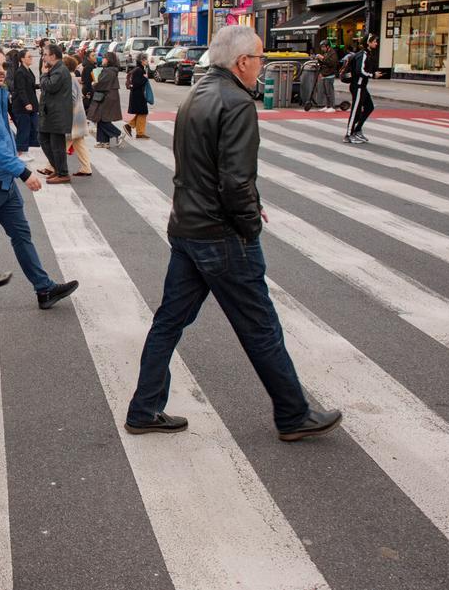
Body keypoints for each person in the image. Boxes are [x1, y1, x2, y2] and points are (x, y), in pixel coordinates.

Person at [124, 26, 341, 442]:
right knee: (260, 327)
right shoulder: (237, 102)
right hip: (221, 235)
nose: (262, 65)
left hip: (187, 226)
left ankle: (144, 408)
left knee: (168, 322)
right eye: (260, 58)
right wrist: (250, 224)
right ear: (242, 62)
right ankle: (293, 414)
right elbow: (236, 181)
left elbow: (199, 168)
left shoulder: (197, 95)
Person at [0, 44, 79, 310]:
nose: (1, 70)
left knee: (22, 236)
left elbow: (4, 135)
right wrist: (22, 171)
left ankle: (44, 289)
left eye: (4, 65)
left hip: (3, 182)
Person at [36, 42, 72, 183]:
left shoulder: (60, 70)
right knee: (43, 139)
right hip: (50, 113)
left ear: (53, 55)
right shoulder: (55, 69)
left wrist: (44, 75)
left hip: (57, 115)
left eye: (45, 54)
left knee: (57, 146)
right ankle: (57, 169)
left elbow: (51, 86)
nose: (43, 57)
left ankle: (63, 173)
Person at [63, 55, 93, 177]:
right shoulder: (73, 78)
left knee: (62, 143)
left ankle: (51, 166)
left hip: (73, 117)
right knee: (79, 143)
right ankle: (86, 168)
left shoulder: (69, 79)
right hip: (78, 116)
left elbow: (72, 98)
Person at [343, 36, 376, 144]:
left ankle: (357, 130)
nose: (376, 43)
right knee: (355, 111)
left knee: (369, 107)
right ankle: (348, 134)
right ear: (368, 43)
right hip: (357, 86)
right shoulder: (363, 55)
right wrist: (373, 75)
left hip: (362, 86)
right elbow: (360, 71)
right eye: (374, 41)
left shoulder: (367, 54)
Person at [89, 51, 124, 148]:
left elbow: (100, 84)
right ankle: (103, 141)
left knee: (102, 118)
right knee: (102, 118)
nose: (102, 59)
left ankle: (118, 134)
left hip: (106, 97)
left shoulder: (108, 71)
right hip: (109, 96)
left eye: (104, 58)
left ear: (108, 60)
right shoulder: (111, 70)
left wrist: (93, 84)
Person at [11, 49, 39, 161]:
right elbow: (21, 89)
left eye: (31, 56)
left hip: (30, 104)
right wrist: (27, 103)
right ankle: (20, 152)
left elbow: (30, 86)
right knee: (23, 129)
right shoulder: (20, 72)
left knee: (30, 128)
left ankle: (25, 150)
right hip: (22, 106)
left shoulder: (28, 70)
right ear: (22, 59)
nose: (31, 58)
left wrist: (39, 85)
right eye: (29, 56)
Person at [124, 55, 150, 139]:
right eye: (145, 59)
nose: (147, 61)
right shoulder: (139, 70)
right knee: (143, 112)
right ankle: (131, 127)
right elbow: (136, 83)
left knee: (141, 113)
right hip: (138, 95)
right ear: (142, 60)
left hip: (138, 94)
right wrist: (145, 78)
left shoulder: (139, 69)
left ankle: (139, 132)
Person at [312, 43, 339, 112]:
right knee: (325, 91)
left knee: (329, 91)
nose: (322, 49)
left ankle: (332, 106)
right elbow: (323, 63)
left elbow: (331, 63)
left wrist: (322, 58)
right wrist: (319, 59)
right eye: (321, 47)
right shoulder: (326, 53)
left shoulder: (333, 53)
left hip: (330, 74)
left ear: (328, 46)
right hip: (325, 74)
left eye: (323, 47)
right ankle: (327, 105)